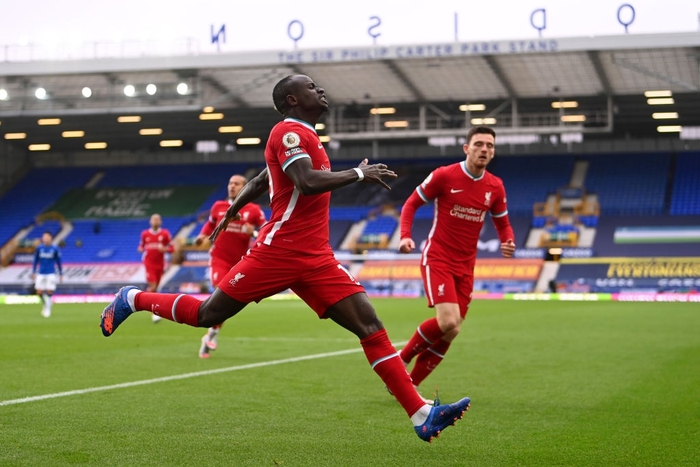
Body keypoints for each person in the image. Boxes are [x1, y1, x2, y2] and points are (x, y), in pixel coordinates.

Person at [100, 74, 470, 442]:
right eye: (312, 87)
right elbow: (306, 181)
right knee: (207, 314)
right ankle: (132, 299)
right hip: (279, 251)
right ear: (292, 99)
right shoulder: (287, 132)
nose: (322, 90)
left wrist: (233, 209)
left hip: (316, 257)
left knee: (370, 326)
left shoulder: (307, 137)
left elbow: (263, 179)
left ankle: (421, 415)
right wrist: (359, 172)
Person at [396, 126, 516, 396]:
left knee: (452, 330)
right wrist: (405, 236)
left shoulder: (495, 186)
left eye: (490, 146)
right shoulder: (444, 175)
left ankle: (410, 385)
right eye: (479, 144)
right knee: (448, 321)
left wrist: (507, 240)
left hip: (466, 266)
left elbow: (503, 223)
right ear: (467, 148)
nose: (485, 149)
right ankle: (400, 360)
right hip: (438, 257)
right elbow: (411, 203)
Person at [194, 174, 267, 358]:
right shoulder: (218, 206)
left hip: (239, 262)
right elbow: (210, 225)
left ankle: (212, 334)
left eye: (237, 184)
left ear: (245, 187)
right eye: (230, 183)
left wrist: (254, 232)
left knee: (226, 302)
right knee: (220, 292)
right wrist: (202, 236)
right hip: (219, 258)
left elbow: (266, 232)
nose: (232, 186)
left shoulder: (254, 210)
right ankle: (212, 334)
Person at [138, 213, 173, 323]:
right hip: (149, 263)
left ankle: (142, 299)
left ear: (161, 222)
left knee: (156, 288)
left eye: (158, 219)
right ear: (150, 222)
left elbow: (172, 248)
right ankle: (153, 312)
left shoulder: (165, 234)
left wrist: (165, 250)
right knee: (152, 285)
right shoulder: (145, 234)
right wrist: (140, 248)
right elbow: (141, 245)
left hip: (160, 264)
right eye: (154, 219)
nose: (156, 221)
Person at [31, 231, 63, 318]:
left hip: (51, 273)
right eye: (44, 237)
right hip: (41, 273)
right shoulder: (39, 248)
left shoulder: (55, 249)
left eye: (47, 237)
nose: (45, 238)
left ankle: (48, 308)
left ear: (50, 238)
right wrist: (33, 271)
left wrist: (61, 273)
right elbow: (35, 260)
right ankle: (46, 304)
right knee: (39, 292)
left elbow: (59, 262)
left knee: (49, 291)